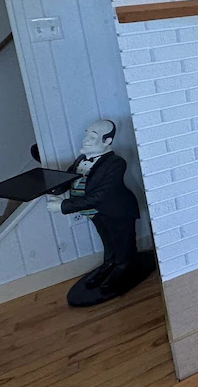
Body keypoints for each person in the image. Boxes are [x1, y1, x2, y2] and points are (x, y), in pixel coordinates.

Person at [46, 119, 141, 300]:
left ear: (107, 141)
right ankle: (110, 263)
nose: (86, 139)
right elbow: (69, 178)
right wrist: (53, 188)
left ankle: (123, 267)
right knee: (107, 239)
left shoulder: (116, 163)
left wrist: (63, 206)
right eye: (87, 134)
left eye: (93, 136)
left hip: (117, 211)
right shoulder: (81, 159)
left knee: (123, 242)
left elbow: (101, 195)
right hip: (96, 213)